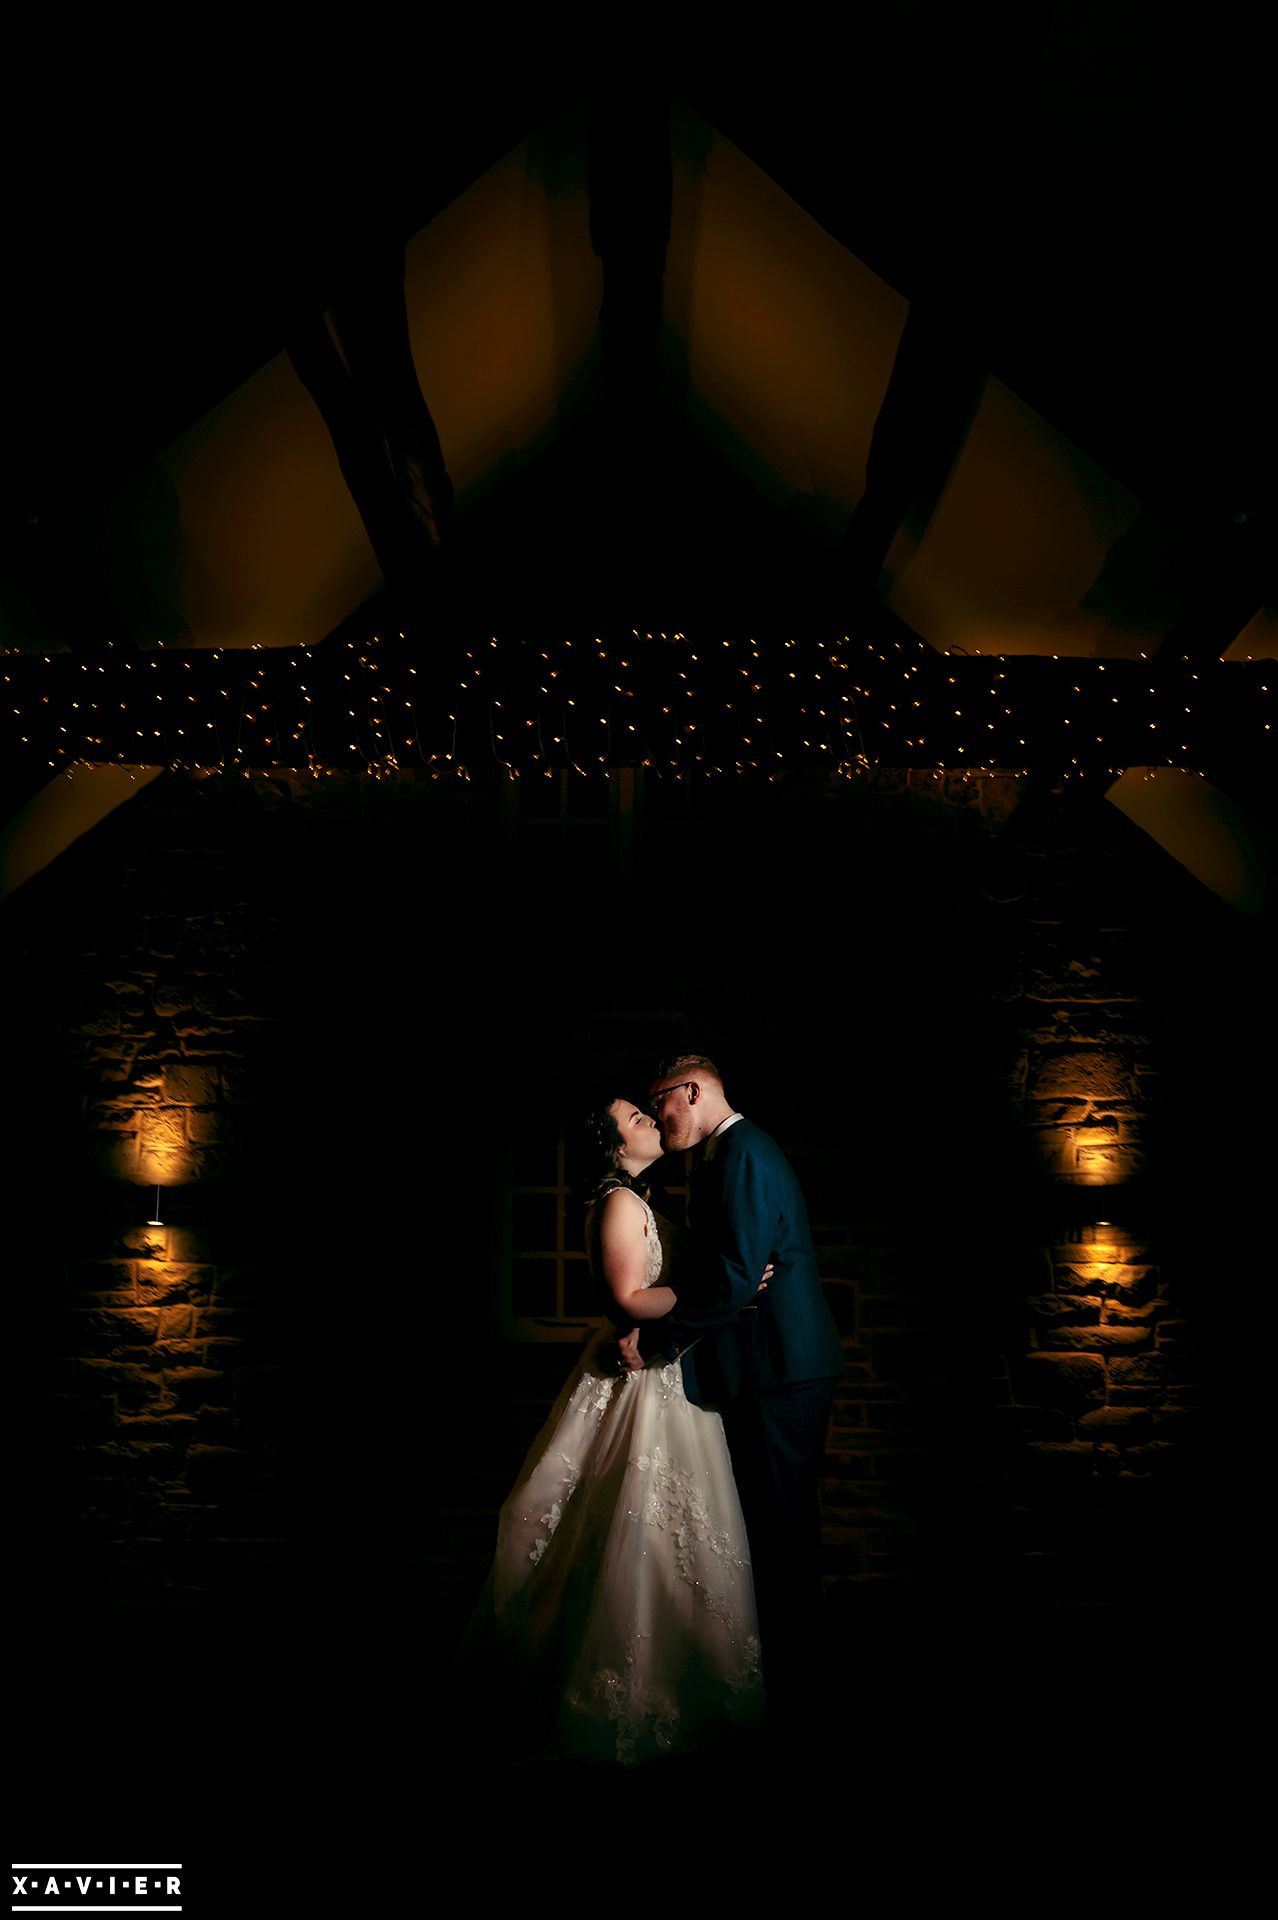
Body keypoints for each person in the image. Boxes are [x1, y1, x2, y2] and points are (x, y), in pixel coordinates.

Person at [460, 1095, 767, 1767]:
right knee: (634, 1529)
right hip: (641, 1386)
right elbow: (630, 1298)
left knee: (672, 1531)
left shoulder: (637, 1199)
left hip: (666, 1377)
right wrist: (726, 1289)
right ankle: (624, 1689)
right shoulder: (621, 1204)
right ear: (615, 1146)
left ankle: (682, 1681)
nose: (652, 1122)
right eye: (635, 1119)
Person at [623, 1054, 845, 1740]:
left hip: (780, 1368)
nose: (659, 1121)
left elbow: (731, 1281)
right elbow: (730, 1274)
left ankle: (797, 1700)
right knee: (772, 1530)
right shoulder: (729, 1154)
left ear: (689, 1092)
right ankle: (785, 1687)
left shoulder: (744, 1153)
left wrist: (658, 1344)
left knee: (780, 1533)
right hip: (765, 1366)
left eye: (659, 1103)